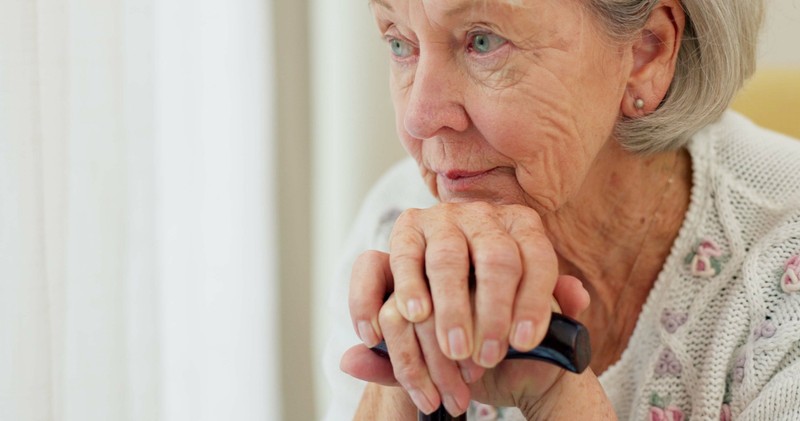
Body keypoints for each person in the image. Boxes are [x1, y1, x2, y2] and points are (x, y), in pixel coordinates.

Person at [323, 0, 800, 419]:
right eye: (400, 44)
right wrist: (408, 380)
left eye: (483, 41)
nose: (419, 119)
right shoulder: (397, 220)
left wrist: (557, 389)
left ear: (647, 52)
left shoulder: (784, 270)